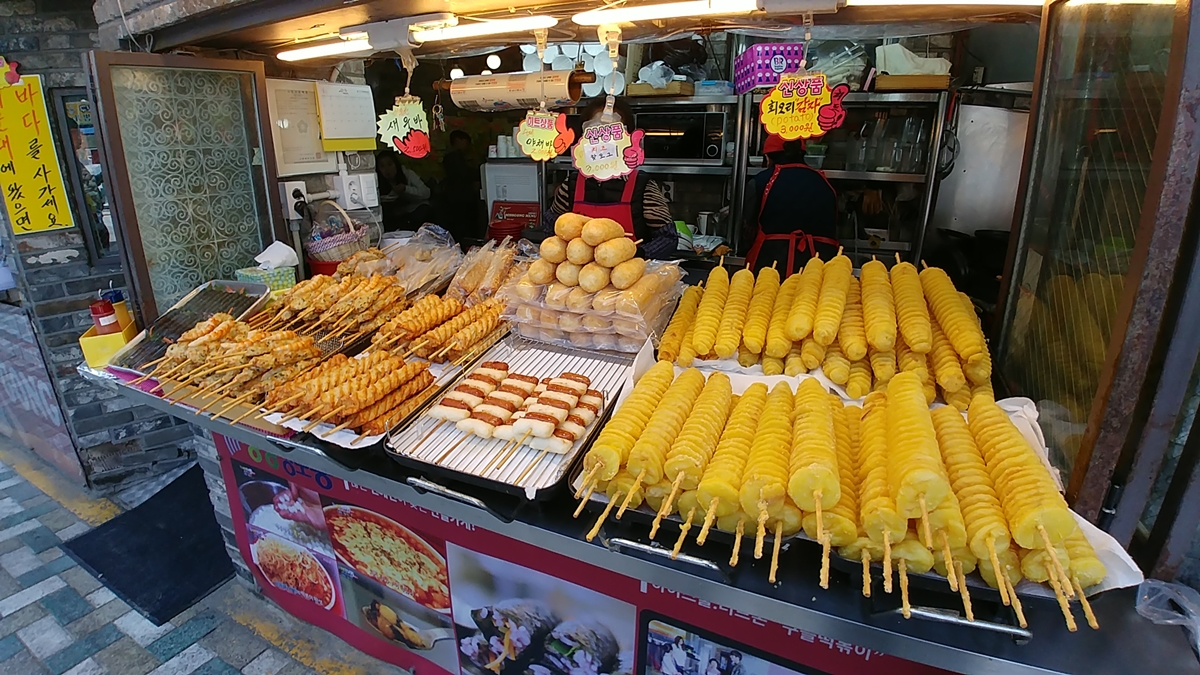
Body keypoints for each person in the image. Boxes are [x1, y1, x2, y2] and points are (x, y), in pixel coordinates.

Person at [546, 96, 678, 259]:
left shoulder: (642, 186)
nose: (603, 142)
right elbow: (550, 225)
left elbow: (668, 238)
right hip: (580, 276)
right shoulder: (571, 185)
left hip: (629, 276)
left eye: (611, 133)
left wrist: (637, 253)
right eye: (596, 132)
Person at [741, 134, 838, 276]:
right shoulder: (824, 182)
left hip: (771, 265)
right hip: (818, 268)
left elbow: (748, 226)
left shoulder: (761, 181)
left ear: (768, 157)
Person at [440, 129, 483, 239]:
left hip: (457, 196)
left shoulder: (452, 156)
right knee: (464, 225)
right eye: (466, 142)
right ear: (458, 140)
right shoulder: (453, 156)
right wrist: (481, 172)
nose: (467, 146)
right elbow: (464, 173)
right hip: (460, 197)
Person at [376, 150, 432, 231]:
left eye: (390, 164)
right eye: (382, 166)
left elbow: (426, 192)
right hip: (394, 216)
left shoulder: (407, 174)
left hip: (414, 211)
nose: (387, 169)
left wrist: (405, 189)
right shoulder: (378, 180)